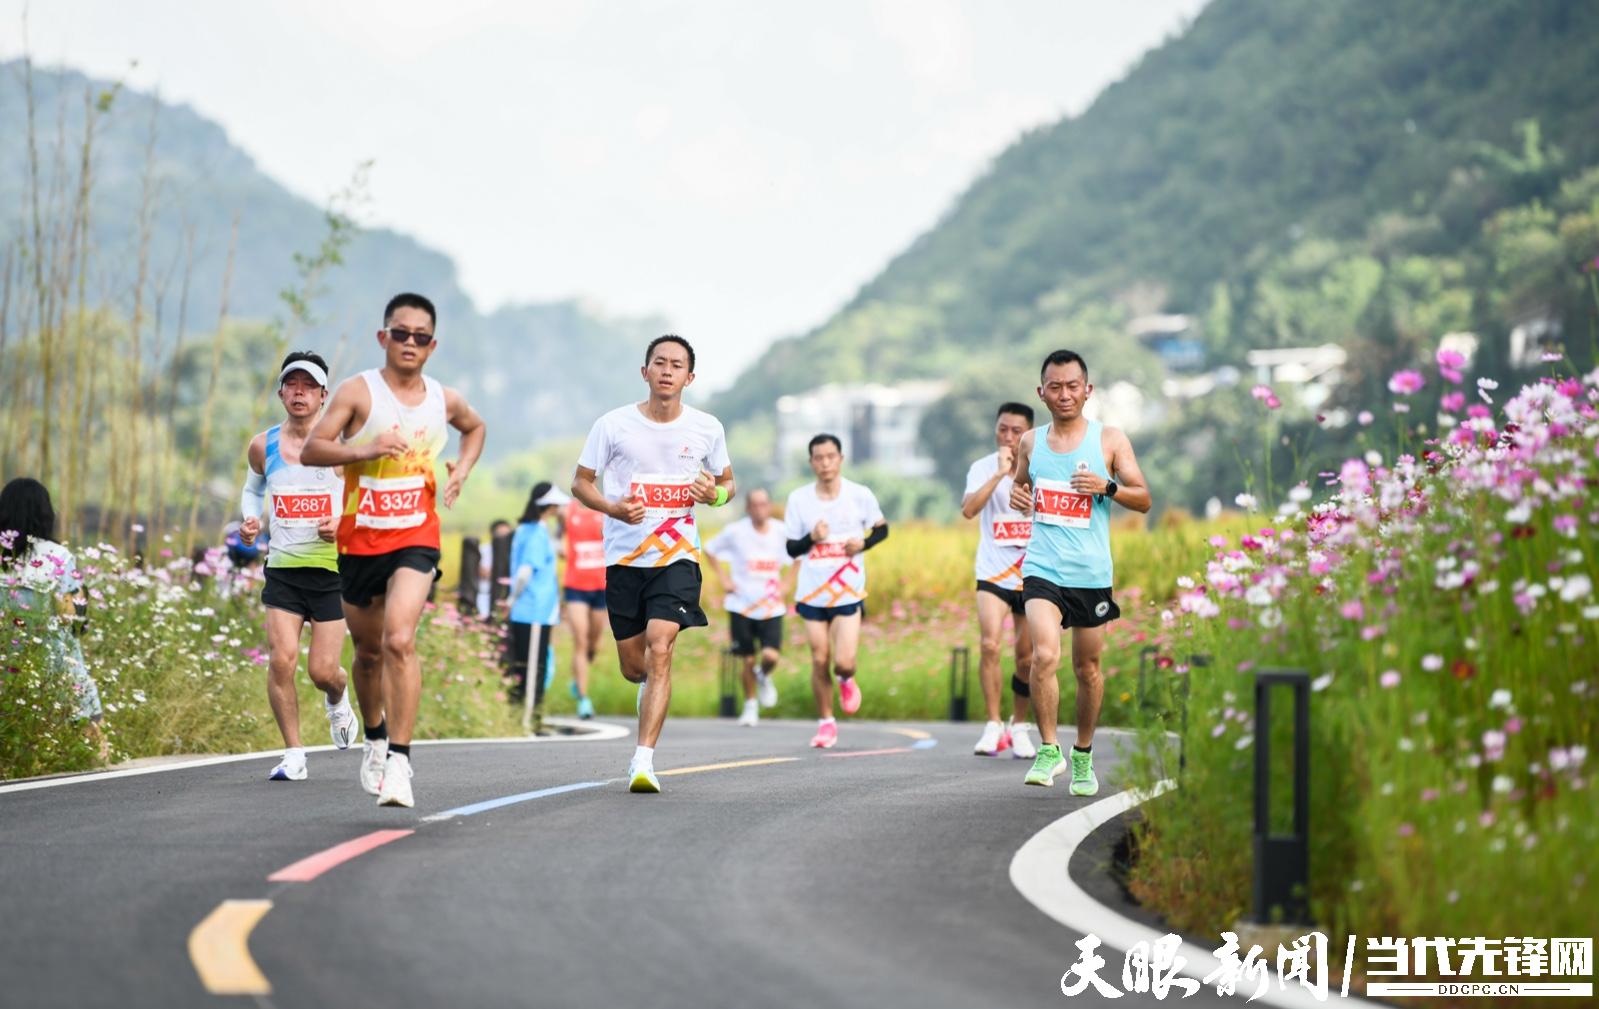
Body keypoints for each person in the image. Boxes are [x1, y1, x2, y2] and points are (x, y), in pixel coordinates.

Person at [303, 292, 486, 808]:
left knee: (400, 639)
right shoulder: (358, 392)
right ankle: (376, 737)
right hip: (359, 538)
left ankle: (401, 763)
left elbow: (475, 427)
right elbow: (315, 446)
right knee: (368, 652)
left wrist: (462, 470)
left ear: (432, 345)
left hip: (416, 535)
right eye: (400, 334)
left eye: (420, 337)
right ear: (383, 338)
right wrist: (365, 448)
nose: (410, 343)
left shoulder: (442, 399)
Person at [572, 334, 734, 793]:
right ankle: (647, 695)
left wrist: (714, 495)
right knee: (634, 666)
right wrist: (612, 508)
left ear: (690, 377)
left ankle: (643, 760)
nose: (667, 370)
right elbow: (580, 483)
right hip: (625, 558)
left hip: (677, 557)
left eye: (676, 365)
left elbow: (728, 484)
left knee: (661, 647)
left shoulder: (707, 428)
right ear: (645, 372)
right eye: (659, 363)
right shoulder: (612, 425)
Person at [1008, 350, 1151, 794]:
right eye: (1055, 386)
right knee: (1043, 656)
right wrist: (1019, 497)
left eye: (1073, 386)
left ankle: (1083, 755)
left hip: (1090, 573)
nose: (1064, 394)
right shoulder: (1030, 442)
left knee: (1087, 667)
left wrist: (1107, 487)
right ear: (1041, 392)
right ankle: (1049, 748)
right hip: (1042, 567)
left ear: (1087, 391)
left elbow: (1143, 497)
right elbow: (1020, 484)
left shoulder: (1109, 440)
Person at [237, 351, 359, 781]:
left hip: (331, 573)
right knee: (281, 661)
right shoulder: (263, 444)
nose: (300, 392)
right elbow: (252, 489)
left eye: (309, 386)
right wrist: (250, 520)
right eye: (293, 384)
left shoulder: (343, 448)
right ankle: (294, 754)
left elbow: (364, 500)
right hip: (284, 572)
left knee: (323, 671)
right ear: (281, 392)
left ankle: (338, 700)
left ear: (324, 395)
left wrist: (342, 522)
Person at [783, 435, 888, 749]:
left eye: (831, 456)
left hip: (848, 593)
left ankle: (845, 679)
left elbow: (882, 528)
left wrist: (863, 543)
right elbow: (790, 548)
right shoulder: (799, 499)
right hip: (812, 594)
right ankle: (826, 721)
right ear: (811, 462)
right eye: (819, 457)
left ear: (840, 458)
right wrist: (812, 538)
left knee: (842, 661)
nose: (825, 463)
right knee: (819, 659)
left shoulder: (859, 495)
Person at [0, 477, 105, 754]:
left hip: (6, 662)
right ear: (45, 514)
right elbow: (73, 618)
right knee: (88, 728)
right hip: (53, 665)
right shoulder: (57, 556)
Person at [961, 402, 1038, 759]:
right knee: (990, 645)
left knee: (1026, 657)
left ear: (1029, 434)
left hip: (1031, 571)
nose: (1008, 436)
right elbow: (968, 510)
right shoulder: (981, 467)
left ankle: (1018, 725)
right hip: (992, 571)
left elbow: (1055, 513)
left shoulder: (1042, 466)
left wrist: (1031, 507)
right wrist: (997, 475)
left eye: (1016, 431)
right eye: (1003, 429)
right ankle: (993, 725)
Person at [703, 488, 793, 727]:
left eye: (764, 504)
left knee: (770, 656)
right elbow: (709, 549)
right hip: (740, 603)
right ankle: (751, 706)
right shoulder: (736, 532)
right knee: (748, 659)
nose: (760, 509)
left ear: (769, 505)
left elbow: (800, 555)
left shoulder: (781, 531)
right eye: (755, 505)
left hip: (771, 604)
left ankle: (763, 676)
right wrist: (724, 579)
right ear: (748, 508)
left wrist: (787, 583)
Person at [509, 483, 567, 734]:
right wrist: (513, 599)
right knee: (533, 668)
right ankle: (528, 722)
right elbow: (524, 572)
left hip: (538, 612)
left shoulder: (533, 530)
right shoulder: (535, 533)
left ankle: (529, 720)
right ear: (550, 506)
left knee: (532, 665)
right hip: (532, 610)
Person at [560, 497, 607, 719]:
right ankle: (583, 698)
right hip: (576, 587)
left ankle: (577, 678)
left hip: (601, 586)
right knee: (581, 640)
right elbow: (560, 538)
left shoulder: (607, 509)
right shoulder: (568, 512)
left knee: (593, 644)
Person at [477, 519, 511, 620]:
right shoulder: (482, 549)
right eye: (500, 534)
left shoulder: (512, 552)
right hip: (484, 594)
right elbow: (480, 571)